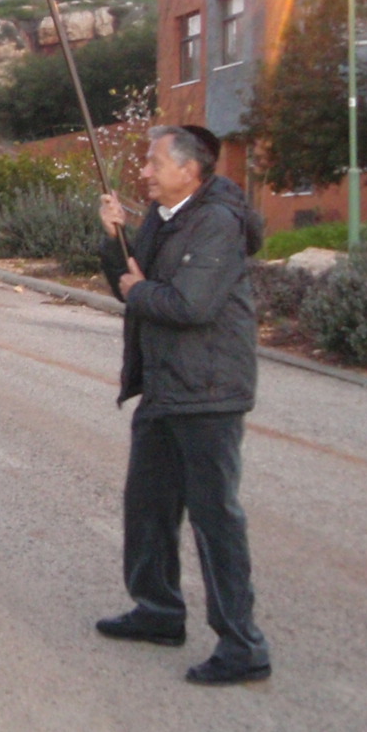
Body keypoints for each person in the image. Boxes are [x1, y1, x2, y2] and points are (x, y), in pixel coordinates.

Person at [95, 124, 272, 685]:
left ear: (189, 171)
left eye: (153, 162)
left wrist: (138, 291)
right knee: (147, 505)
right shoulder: (166, 219)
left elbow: (189, 303)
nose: (143, 171)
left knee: (214, 517)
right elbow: (128, 278)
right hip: (166, 386)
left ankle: (242, 645)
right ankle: (159, 610)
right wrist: (113, 237)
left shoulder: (217, 221)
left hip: (208, 392)